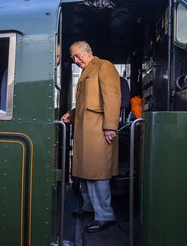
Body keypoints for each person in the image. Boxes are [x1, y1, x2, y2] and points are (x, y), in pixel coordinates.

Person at [61, 41, 121, 232]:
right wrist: (72, 112)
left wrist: (110, 126)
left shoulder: (104, 66)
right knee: (86, 172)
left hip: (98, 129)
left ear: (88, 52)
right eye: (73, 58)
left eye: (78, 56)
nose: (76, 61)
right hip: (86, 130)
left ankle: (105, 215)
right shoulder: (87, 71)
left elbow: (111, 96)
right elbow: (86, 101)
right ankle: (89, 207)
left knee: (97, 173)